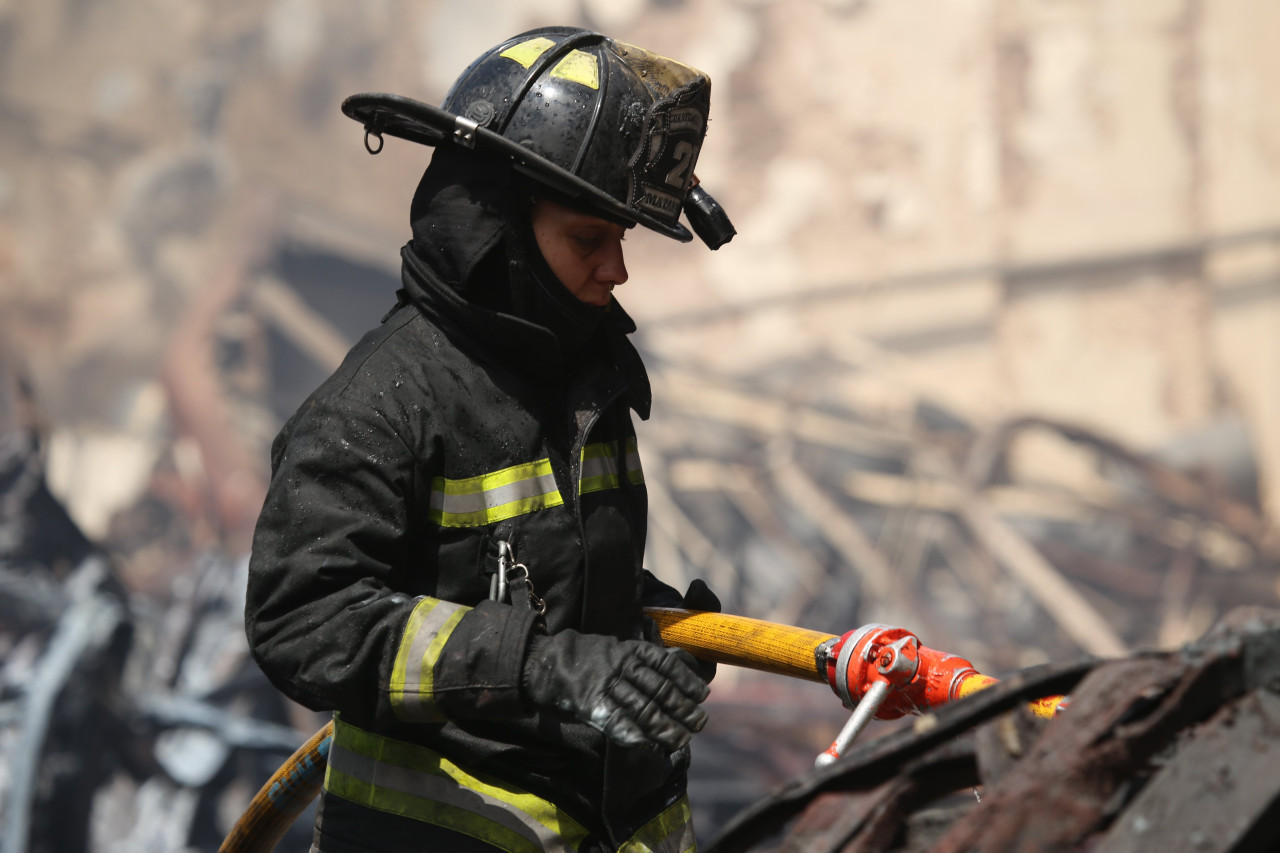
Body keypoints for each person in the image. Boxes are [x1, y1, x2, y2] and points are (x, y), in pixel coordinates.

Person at [244, 26, 734, 853]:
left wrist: (643, 634)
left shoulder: (589, 379)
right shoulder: (380, 403)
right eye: (590, 238)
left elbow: (532, 572)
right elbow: (305, 616)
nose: (617, 269)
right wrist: (549, 666)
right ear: (498, 225)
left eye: (621, 240)